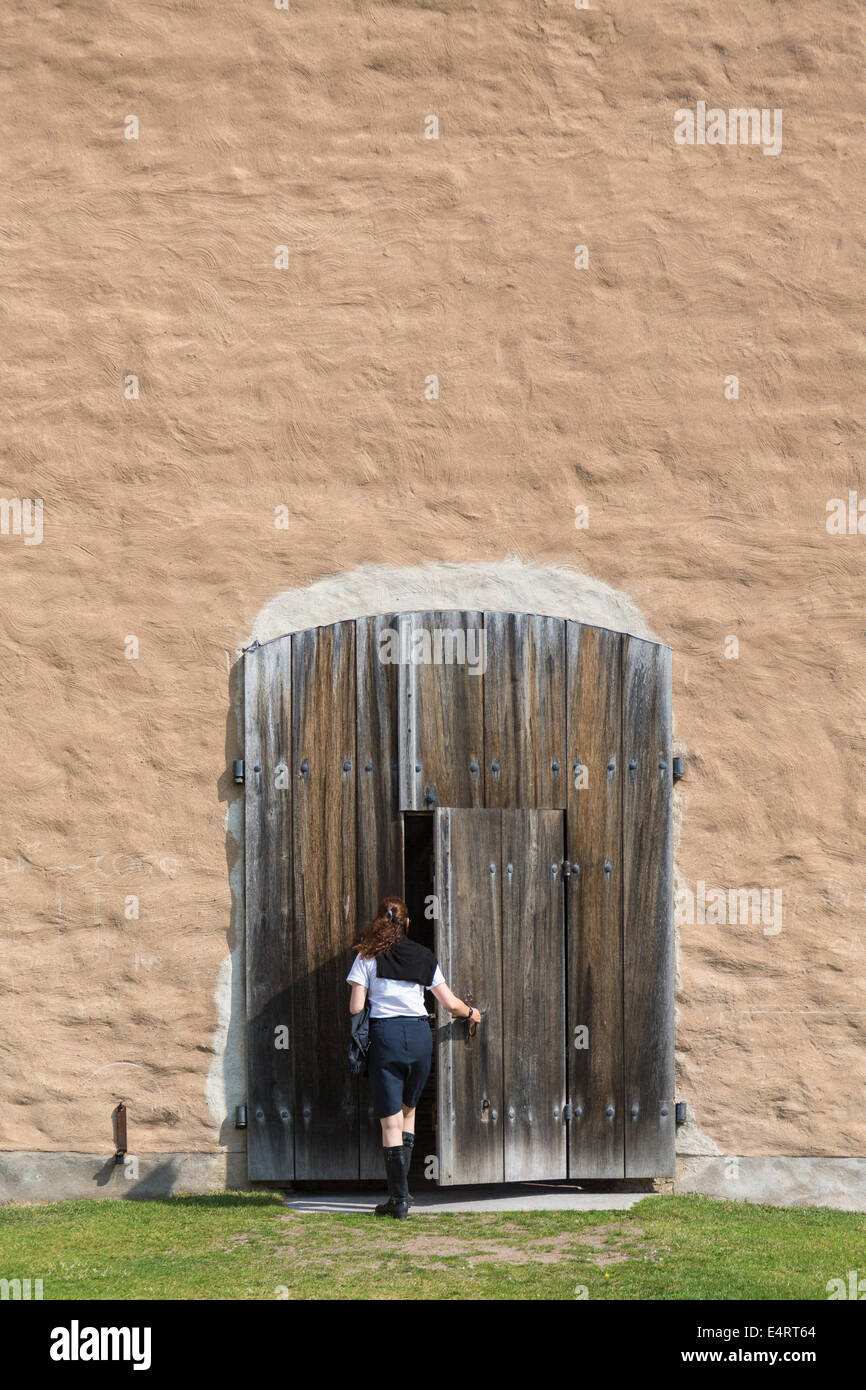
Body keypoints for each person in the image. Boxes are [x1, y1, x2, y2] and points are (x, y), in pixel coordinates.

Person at [347, 895, 482, 1219]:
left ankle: (398, 1201)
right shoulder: (423, 955)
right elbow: (449, 1004)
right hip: (420, 1038)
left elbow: (355, 1006)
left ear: (381, 920)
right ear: (407, 924)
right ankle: (403, 1194)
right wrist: (472, 1013)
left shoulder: (367, 955)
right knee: (408, 1113)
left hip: (386, 1038)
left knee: (390, 1121)